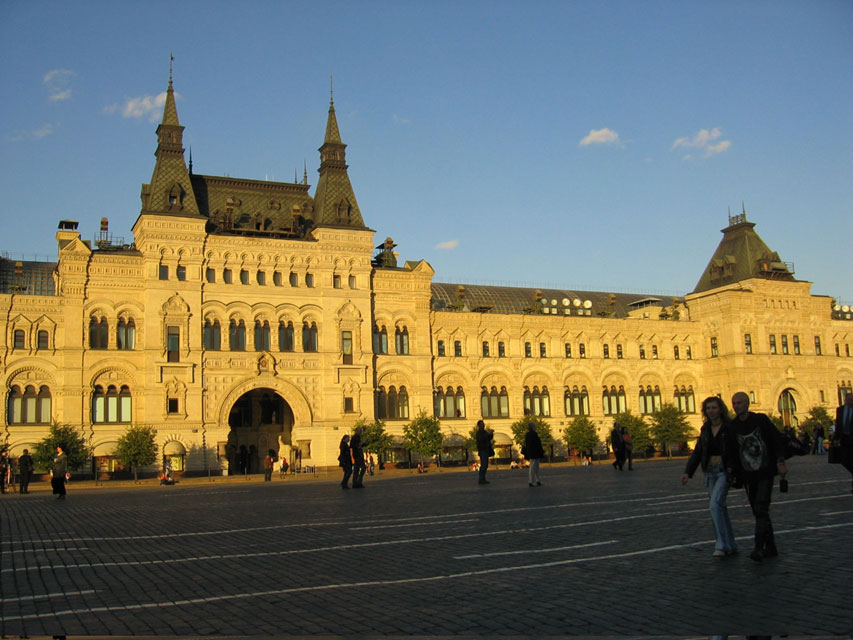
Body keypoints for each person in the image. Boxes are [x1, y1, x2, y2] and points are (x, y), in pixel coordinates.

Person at [728, 391, 787, 562]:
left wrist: (781, 462)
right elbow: (732, 452)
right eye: (734, 403)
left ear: (747, 404)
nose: (736, 406)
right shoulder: (733, 427)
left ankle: (758, 547)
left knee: (761, 508)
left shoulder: (760, 420)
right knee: (758, 510)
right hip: (748, 475)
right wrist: (732, 472)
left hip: (765, 471)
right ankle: (771, 546)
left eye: (739, 402)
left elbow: (776, 440)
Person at [681, 397, 738, 557]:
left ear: (720, 409)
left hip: (724, 472)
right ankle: (731, 543)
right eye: (708, 408)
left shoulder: (729, 428)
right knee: (720, 507)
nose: (711, 411)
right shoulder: (705, 429)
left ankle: (720, 544)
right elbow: (698, 451)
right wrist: (688, 472)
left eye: (714, 407)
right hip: (710, 473)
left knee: (714, 505)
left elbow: (735, 451)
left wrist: (734, 470)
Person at [832, 392, 853, 493]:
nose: (851, 401)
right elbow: (838, 424)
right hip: (844, 439)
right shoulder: (840, 410)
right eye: (850, 400)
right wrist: (836, 438)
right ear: (846, 400)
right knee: (845, 461)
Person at [523, 422, 545, 487]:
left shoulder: (527, 434)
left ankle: (537, 480)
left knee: (535, 467)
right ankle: (531, 481)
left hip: (531, 452)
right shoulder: (534, 434)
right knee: (534, 467)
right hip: (535, 453)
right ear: (533, 427)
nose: (536, 427)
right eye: (535, 426)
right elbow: (537, 444)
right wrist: (541, 451)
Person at [475, 419, 494, 485]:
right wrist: (488, 434)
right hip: (482, 450)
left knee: (485, 465)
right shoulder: (479, 433)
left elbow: (489, 438)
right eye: (481, 424)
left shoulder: (484, 432)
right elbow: (482, 439)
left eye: (483, 424)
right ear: (479, 426)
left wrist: (491, 434)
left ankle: (483, 478)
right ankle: (481, 479)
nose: (483, 425)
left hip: (486, 449)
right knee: (484, 465)